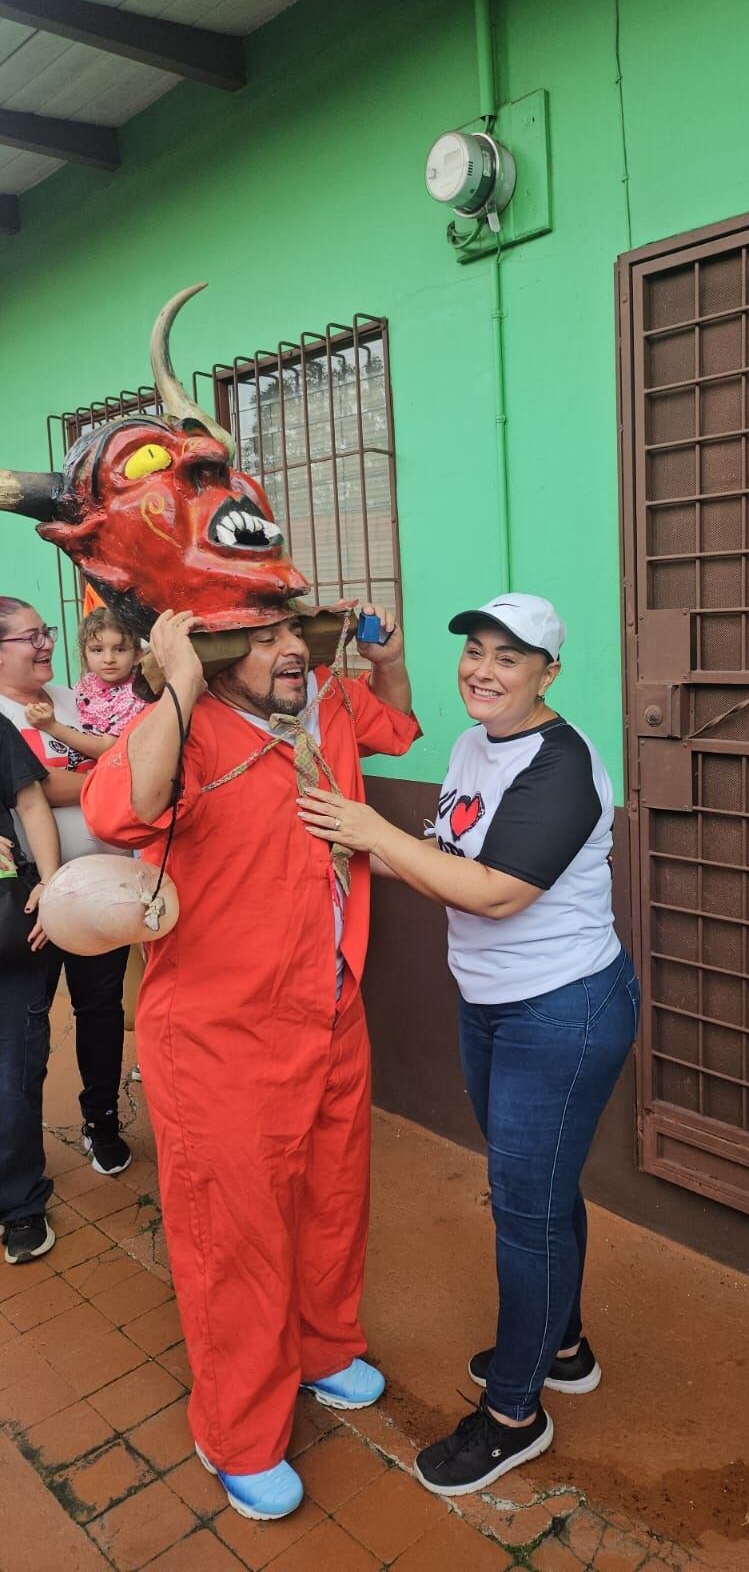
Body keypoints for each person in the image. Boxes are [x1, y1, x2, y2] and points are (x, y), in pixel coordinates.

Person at [81, 602, 419, 1521]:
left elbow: (401, 721)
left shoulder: (330, 707)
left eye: (294, 634)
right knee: (236, 1240)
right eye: (260, 638)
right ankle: (236, 1431)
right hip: (221, 1038)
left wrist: (391, 658)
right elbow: (120, 808)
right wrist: (179, 683)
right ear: (214, 651)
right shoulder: (186, 733)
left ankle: (323, 1346)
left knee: (331, 1198)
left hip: (332, 1008)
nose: (289, 652)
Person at [300, 593, 640, 1496]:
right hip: (492, 1003)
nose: (483, 671)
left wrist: (368, 832)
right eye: (475, 652)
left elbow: (492, 893)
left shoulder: (561, 766)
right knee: (538, 1189)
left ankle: (514, 1414)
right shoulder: (472, 744)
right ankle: (561, 1343)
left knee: (523, 1209)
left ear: (548, 674)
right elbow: (447, 848)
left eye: (509, 658)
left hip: (559, 1011)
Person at [0, 597, 132, 1174]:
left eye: (46, 632)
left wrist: (100, 769)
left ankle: (101, 1120)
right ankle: (23, 1167)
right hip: (31, 897)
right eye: (31, 637)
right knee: (26, 1033)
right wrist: (107, 772)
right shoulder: (2, 714)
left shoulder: (72, 699)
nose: (46, 643)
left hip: (103, 884)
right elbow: (41, 789)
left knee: (101, 1009)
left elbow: (119, 754)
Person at [0, 715, 60, 1263]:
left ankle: (20, 1203)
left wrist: (49, 881)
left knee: (16, 1071)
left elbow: (32, 802)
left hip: (5, 931)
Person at [25, 608, 144, 766]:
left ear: (137, 655)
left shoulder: (135, 696)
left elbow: (106, 749)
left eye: (120, 650)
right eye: (97, 650)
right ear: (85, 655)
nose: (108, 659)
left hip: (114, 773)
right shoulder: (86, 683)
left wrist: (51, 726)